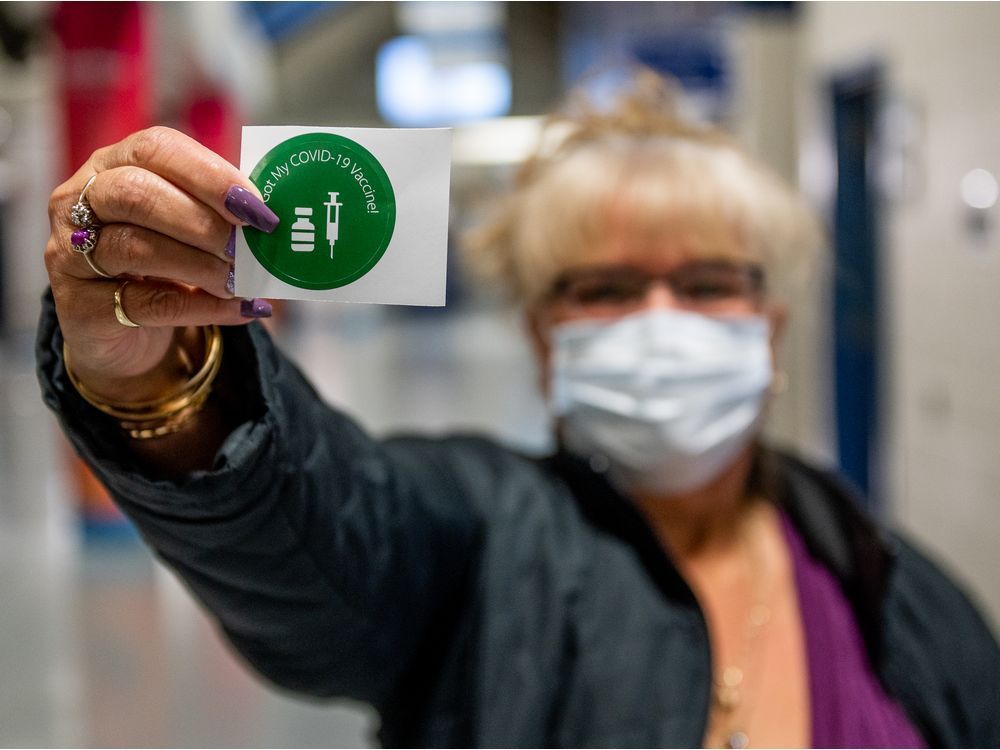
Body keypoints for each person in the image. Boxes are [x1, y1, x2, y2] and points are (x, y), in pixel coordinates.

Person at [38, 73, 999, 748]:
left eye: (709, 281)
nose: (661, 320)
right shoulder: (479, 539)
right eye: (606, 287)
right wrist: (160, 372)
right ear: (543, 340)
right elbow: (322, 525)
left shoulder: (896, 588)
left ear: (772, 328)